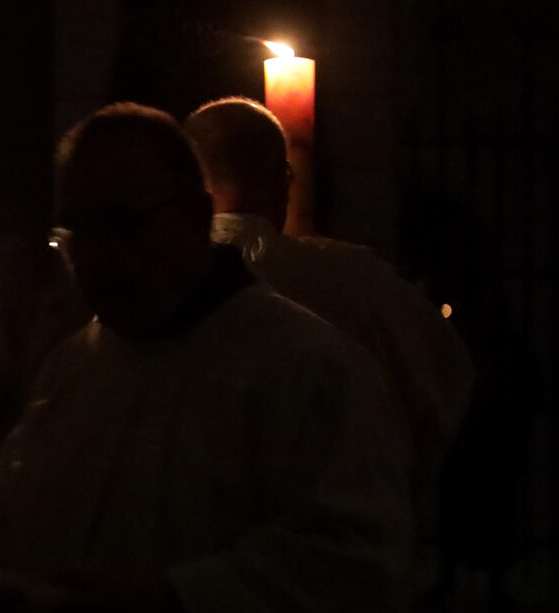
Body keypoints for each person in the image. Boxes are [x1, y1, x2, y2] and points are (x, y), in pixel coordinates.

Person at [0, 103, 434, 613]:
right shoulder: (76, 367)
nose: (100, 256)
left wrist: (178, 604)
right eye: (81, 232)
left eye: (125, 224)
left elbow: (353, 560)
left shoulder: (303, 367)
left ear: (194, 214)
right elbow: (22, 514)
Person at [184, 97, 474, 535]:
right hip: (332, 540)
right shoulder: (355, 282)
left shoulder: (161, 283)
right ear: (282, 181)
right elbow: (447, 377)